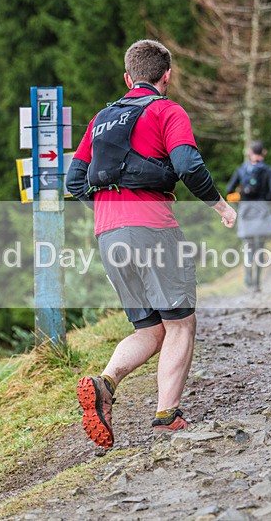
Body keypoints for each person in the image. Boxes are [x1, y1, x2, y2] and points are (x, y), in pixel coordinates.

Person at [66, 39, 237, 448]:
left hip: (108, 234)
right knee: (181, 323)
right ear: (167, 76)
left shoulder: (101, 118)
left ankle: (105, 382)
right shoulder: (167, 110)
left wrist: (112, 209)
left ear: (128, 78)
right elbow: (188, 165)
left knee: (150, 327)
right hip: (153, 228)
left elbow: (74, 182)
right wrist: (220, 208)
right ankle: (166, 415)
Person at [225, 141, 271, 293]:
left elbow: (229, 190)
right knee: (261, 246)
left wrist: (239, 206)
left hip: (245, 210)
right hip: (262, 209)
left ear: (250, 153)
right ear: (264, 152)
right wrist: (267, 204)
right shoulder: (268, 170)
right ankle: (257, 283)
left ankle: (248, 274)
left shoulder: (242, 169)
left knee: (248, 246)